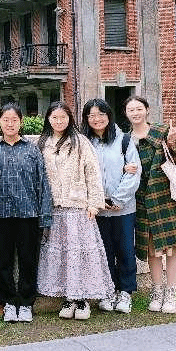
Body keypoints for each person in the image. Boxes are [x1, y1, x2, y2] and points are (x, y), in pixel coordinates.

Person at [36, 101, 114, 320]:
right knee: (62, 256)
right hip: (54, 208)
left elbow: (93, 173)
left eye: (63, 117)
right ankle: (68, 298)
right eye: (54, 117)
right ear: (48, 119)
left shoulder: (80, 142)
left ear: (69, 119)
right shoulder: (42, 143)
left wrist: (94, 204)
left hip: (79, 208)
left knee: (80, 255)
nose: (59, 121)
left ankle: (82, 299)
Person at [124, 95, 176, 314]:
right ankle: (156, 291)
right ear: (126, 114)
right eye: (131, 110)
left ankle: (171, 293)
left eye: (139, 109)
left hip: (166, 200)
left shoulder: (162, 131)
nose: (135, 113)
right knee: (152, 251)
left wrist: (173, 142)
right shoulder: (126, 140)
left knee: (172, 249)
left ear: (147, 110)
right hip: (142, 201)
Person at [0, 103, 53, 323]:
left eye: (14, 120)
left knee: (28, 260)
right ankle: (7, 303)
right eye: (5, 120)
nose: (10, 124)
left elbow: (43, 184)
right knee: (2, 261)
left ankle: (25, 303)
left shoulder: (32, 150)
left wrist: (44, 215)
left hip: (28, 215)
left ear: (21, 122)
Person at [81, 98, 141, 314]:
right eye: (91, 115)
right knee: (103, 252)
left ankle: (125, 292)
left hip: (123, 209)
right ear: (86, 119)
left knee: (125, 250)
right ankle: (108, 290)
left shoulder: (124, 140)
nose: (96, 119)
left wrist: (117, 200)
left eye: (101, 114)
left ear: (109, 115)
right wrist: (97, 201)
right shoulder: (84, 143)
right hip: (97, 209)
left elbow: (134, 173)